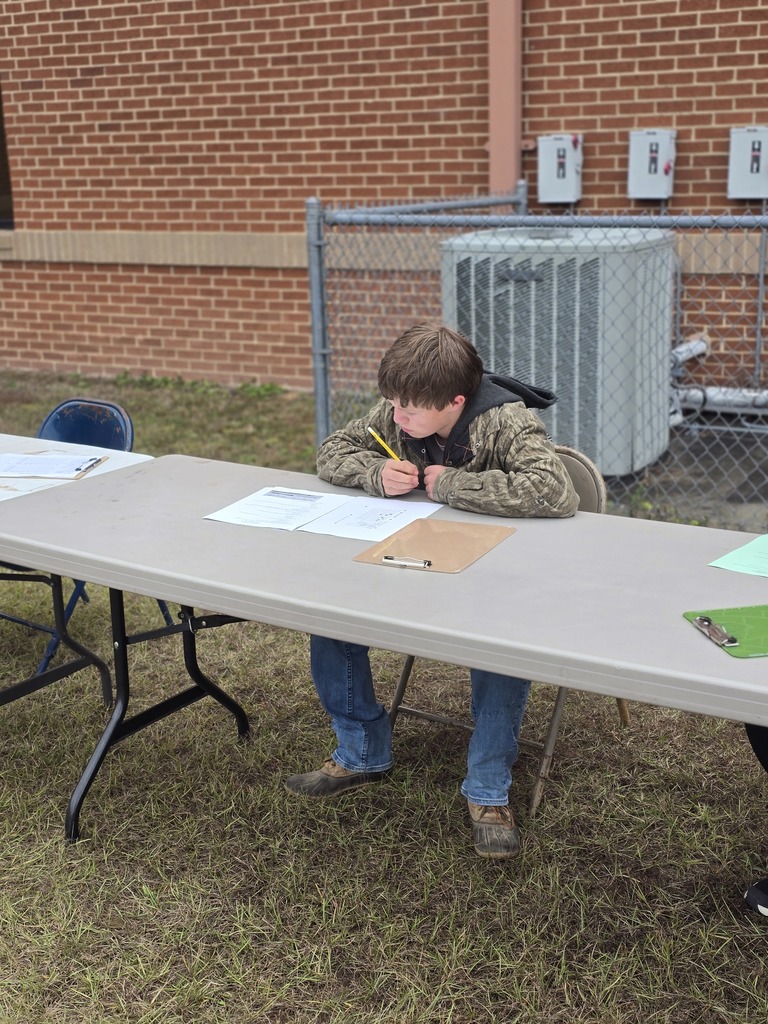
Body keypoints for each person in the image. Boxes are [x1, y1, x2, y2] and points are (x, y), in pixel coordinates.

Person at [285, 319, 578, 859]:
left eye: (408, 411)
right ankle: (359, 752)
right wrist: (375, 474)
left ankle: (488, 790)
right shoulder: (402, 406)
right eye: (391, 405)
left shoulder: (504, 421)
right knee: (330, 614)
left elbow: (554, 490)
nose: (396, 417)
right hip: (411, 558)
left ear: (455, 402)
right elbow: (332, 450)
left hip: (496, 574)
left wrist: (450, 483)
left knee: (501, 645)